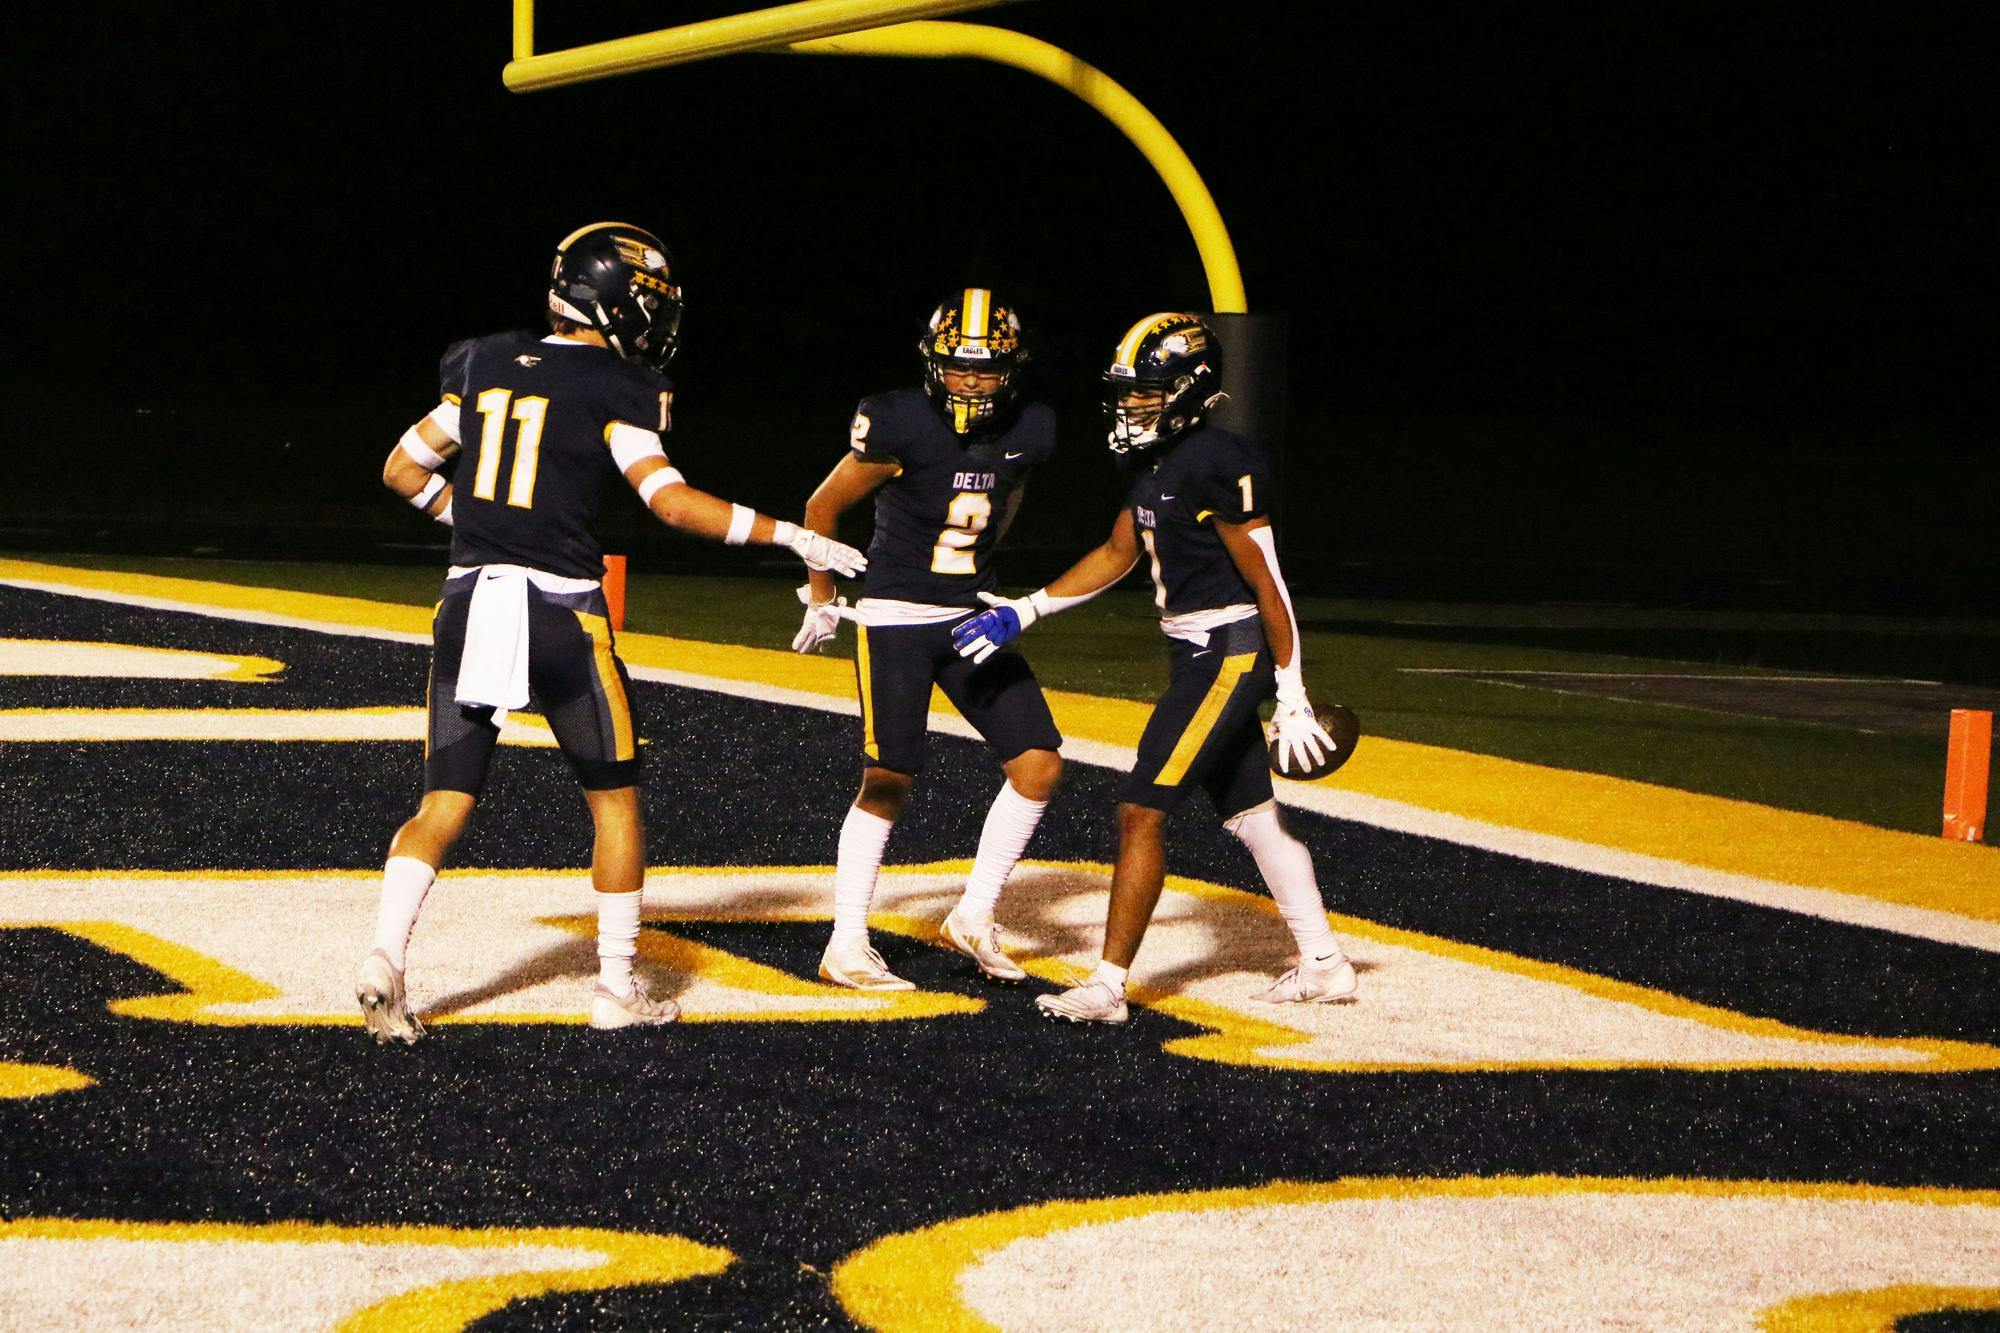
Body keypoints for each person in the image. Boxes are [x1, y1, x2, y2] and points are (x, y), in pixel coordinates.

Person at [357, 221, 867, 1044]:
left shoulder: (483, 360)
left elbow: (402, 469)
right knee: (615, 805)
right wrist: (793, 536)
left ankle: (384, 953)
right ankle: (616, 987)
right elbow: (668, 500)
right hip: (560, 615)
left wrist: (474, 526)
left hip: (466, 603)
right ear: (617, 298)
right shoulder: (615, 384)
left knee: (443, 801)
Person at [950, 312, 1355, 1024]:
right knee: (1254, 816)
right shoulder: (1150, 461)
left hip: (1230, 648)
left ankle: (1108, 985)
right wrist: (1028, 609)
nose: (1130, 404)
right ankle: (1325, 963)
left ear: (1188, 389)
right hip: (1196, 650)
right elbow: (1118, 551)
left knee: (1141, 807)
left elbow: (1270, 581)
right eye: (1126, 391)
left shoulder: (1220, 459)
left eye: (1145, 391)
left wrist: (1290, 687)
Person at [792, 288, 1062, 990]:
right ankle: (846, 941)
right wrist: (822, 598)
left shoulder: (1033, 426)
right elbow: (822, 505)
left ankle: (974, 912)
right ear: (932, 363)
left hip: (969, 613)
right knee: (889, 776)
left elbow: (1009, 498)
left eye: (987, 368)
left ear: (1014, 367)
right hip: (897, 617)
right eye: (959, 366)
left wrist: (984, 577)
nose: (971, 381)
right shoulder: (900, 421)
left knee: (1037, 764)